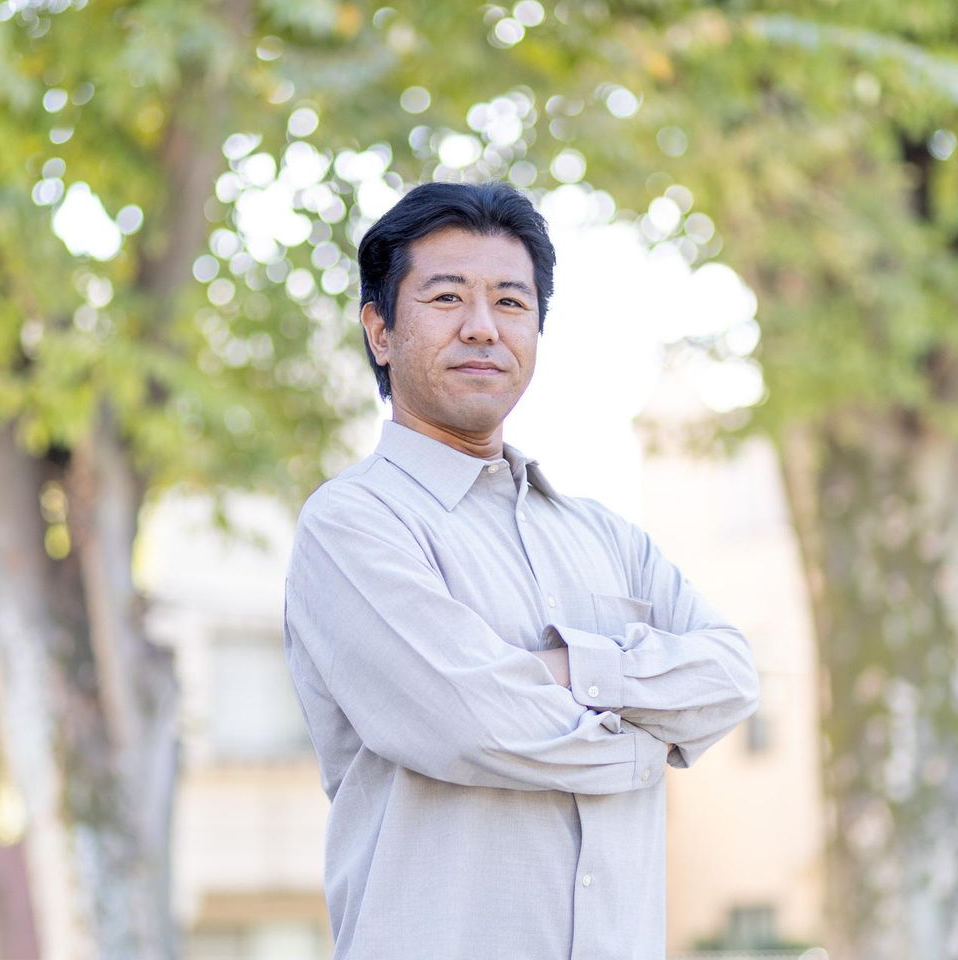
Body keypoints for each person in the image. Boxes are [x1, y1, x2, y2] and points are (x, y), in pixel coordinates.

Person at [281, 180, 761, 960]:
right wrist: (649, 740)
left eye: (511, 302)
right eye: (446, 297)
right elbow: (475, 725)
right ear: (380, 330)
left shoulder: (606, 537)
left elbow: (732, 676)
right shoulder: (353, 525)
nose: (482, 327)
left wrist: (563, 670)